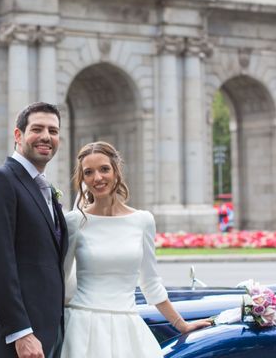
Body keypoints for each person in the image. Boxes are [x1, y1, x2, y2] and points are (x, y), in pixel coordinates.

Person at [61, 142, 212, 357]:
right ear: (82, 179)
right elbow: (60, 279)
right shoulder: (74, 221)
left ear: (116, 171)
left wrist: (182, 325)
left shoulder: (142, 220)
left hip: (128, 327)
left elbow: (150, 282)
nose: (97, 178)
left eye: (104, 169)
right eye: (89, 172)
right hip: (82, 328)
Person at [0, 102, 68, 358]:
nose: (47, 137)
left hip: (48, 333)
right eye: (37, 129)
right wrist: (21, 332)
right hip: (17, 342)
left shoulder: (43, 187)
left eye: (54, 130)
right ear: (18, 135)